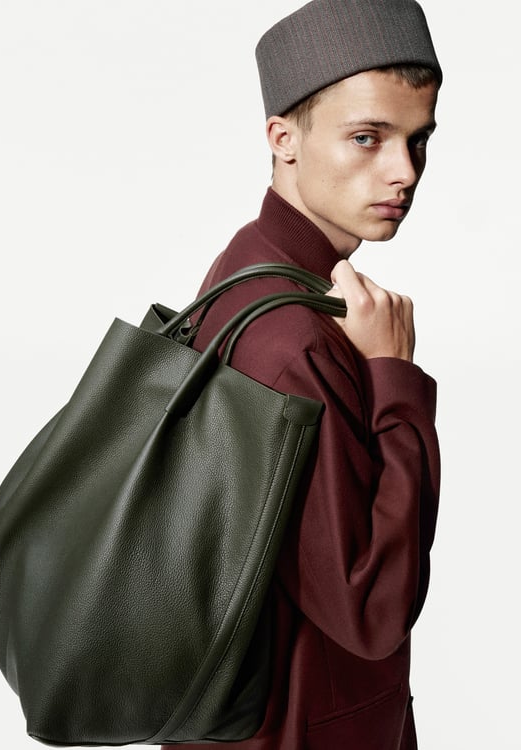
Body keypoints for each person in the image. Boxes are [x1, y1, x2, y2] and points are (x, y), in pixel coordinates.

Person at [162, 1, 442, 749]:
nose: (404, 171)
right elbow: (371, 610)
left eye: (418, 139)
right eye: (367, 137)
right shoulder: (298, 341)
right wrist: (394, 379)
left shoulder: (248, 266)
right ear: (283, 139)